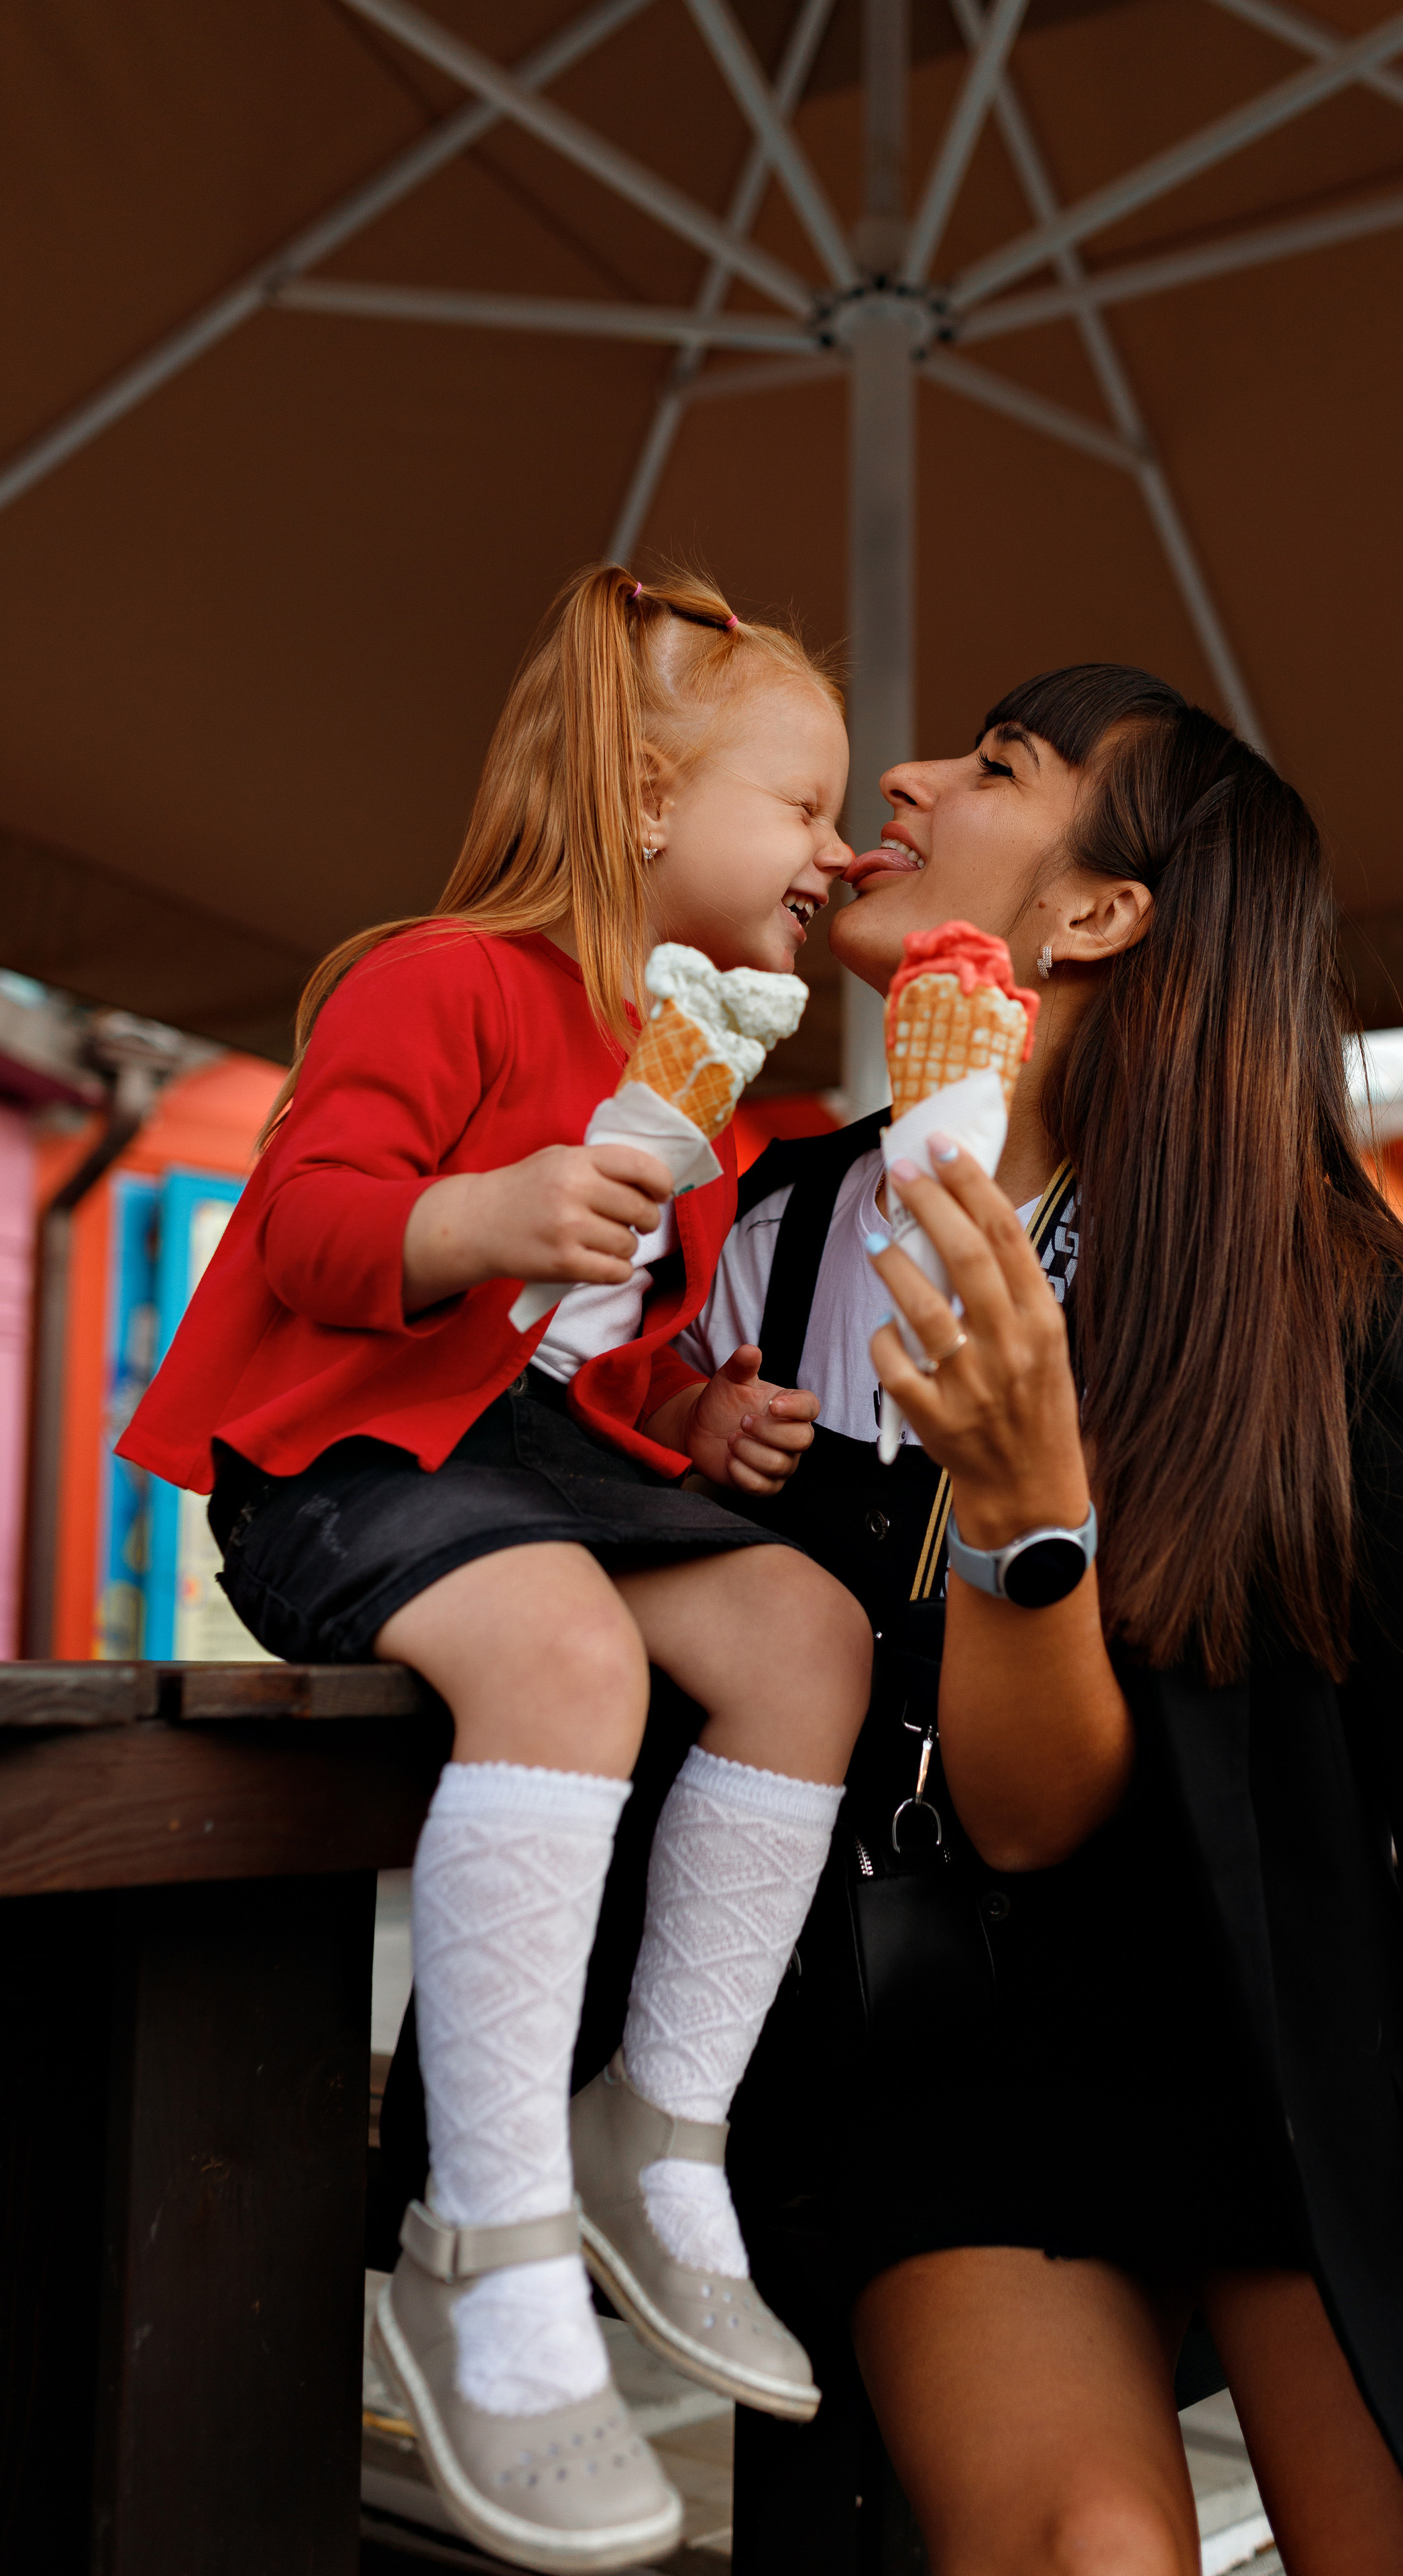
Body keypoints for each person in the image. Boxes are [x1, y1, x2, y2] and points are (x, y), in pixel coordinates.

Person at [693, 665, 1403, 2574]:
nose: (901, 778)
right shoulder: (779, 1238)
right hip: (952, 2039)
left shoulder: (1318, 1301)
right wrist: (1008, 1517)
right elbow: (1020, 1821)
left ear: (1098, 914)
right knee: (1092, 2553)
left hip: (1276, 2045)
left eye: (996, 764)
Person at [118, 565, 875, 2573]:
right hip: (342, 1456)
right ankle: (487, 2233)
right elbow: (311, 1229)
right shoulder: (443, 975)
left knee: (808, 1631)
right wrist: (482, 1214)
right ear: (647, 797)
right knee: (569, 1659)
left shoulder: (698, 1067)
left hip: (534, 1470)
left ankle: (660, 2124)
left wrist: (691, 1413)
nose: (835, 852)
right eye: (804, 807)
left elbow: (583, 1370)